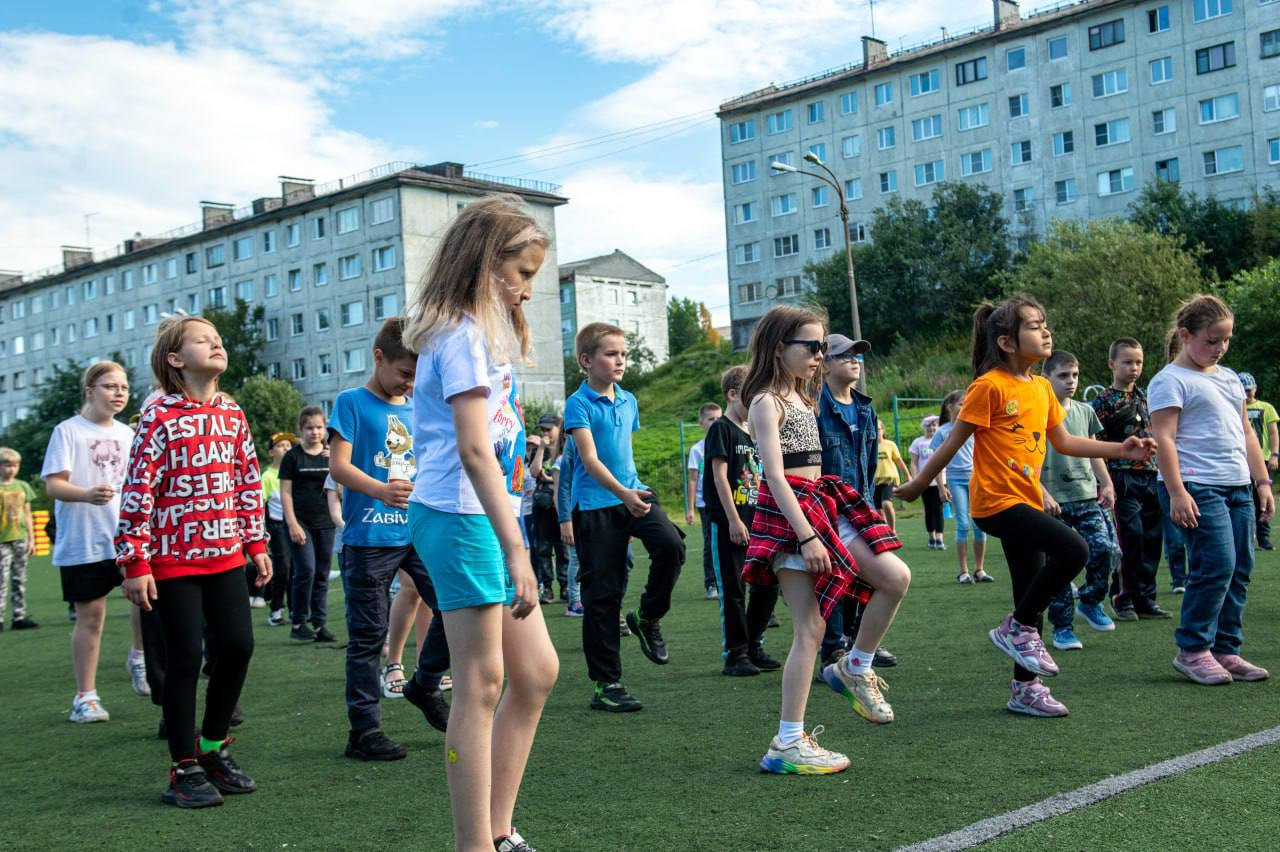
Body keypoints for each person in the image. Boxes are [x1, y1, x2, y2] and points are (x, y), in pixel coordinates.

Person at [899, 295, 1155, 717]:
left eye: (1045, 323)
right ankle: (1015, 627)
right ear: (1006, 342)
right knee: (1075, 549)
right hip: (995, 503)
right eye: (1035, 326)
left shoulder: (1040, 388)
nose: (1046, 331)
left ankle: (1025, 688)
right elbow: (951, 442)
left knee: (1029, 588)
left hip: (1027, 499)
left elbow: (1065, 442)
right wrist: (920, 483)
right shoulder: (989, 387)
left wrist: (1121, 449)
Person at [402, 194, 558, 852]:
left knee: (538, 671)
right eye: (521, 274)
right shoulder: (460, 332)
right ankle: (476, 845)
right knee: (481, 683)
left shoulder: (480, 334)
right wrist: (519, 550)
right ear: (487, 264)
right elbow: (472, 450)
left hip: (479, 518)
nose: (527, 290)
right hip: (461, 518)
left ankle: (498, 829)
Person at [741, 306, 911, 774]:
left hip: (822, 502)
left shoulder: (803, 398)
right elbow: (773, 476)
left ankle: (855, 666)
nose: (819, 355)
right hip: (792, 515)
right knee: (810, 629)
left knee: (895, 577)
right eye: (811, 347)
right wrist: (807, 536)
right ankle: (788, 741)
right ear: (780, 348)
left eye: (821, 348)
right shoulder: (766, 402)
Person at [117, 316, 270, 808]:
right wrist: (134, 561)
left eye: (218, 339)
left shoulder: (232, 413)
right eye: (203, 340)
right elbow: (137, 491)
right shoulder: (158, 416)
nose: (217, 344)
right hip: (171, 562)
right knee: (183, 659)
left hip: (225, 556)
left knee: (238, 648)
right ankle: (182, 766)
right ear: (175, 360)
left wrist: (256, 543)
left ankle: (212, 747)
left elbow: (247, 481)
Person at [329, 317, 452, 761]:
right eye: (404, 373)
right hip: (368, 536)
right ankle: (364, 731)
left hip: (418, 530)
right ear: (378, 358)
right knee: (368, 637)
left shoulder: (416, 405)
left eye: (417, 376)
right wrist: (380, 489)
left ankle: (423, 683)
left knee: (455, 606)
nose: (410, 383)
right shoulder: (351, 403)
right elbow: (338, 467)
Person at [1149, 295, 1273, 685]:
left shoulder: (1229, 377)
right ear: (1185, 336)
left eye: (1226, 340)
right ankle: (1193, 650)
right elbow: (1164, 439)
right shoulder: (1170, 380)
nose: (1220, 348)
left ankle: (1226, 649)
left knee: (1241, 569)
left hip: (1237, 485)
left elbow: (1248, 436)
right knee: (1216, 564)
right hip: (1198, 485)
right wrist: (1177, 491)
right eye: (1212, 340)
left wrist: (1262, 482)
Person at [565, 322, 686, 713]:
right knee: (603, 595)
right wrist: (623, 496)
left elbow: (623, 454)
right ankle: (606, 684)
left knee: (671, 545)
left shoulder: (628, 400)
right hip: (597, 505)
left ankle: (648, 616)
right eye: (611, 354)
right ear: (587, 361)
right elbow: (590, 460)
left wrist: (632, 494)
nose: (620, 360)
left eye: (623, 354)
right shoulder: (578, 404)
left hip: (633, 491)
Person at [41, 361, 139, 722]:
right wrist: (86, 494)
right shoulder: (68, 431)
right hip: (84, 541)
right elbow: (53, 485)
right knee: (92, 619)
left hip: (126, 538)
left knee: (146, 603)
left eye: (124, 388)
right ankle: (86, 697)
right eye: (110, 386)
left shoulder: (129, 435)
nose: (119, 394)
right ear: (89, 391)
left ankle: (140, 659)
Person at [815, 334, 896, 669]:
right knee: (834, 578)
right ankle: (833, 650)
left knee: (873, 575)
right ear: (825, 364)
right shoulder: (815, 407)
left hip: (860, 505)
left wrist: (871, 502)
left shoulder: (865, 408)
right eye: (844, 355)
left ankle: (860, 641)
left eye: (857, 355)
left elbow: (870, 462)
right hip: (825, 508)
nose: (854, 361)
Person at [1039, 351, 1120, 650]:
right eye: (1062, 376)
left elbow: (1094, 450)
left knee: (1105, 549)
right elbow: (1023, 457)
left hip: (1086, 495)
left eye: (1074, 375)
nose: (1070, 381)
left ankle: (1091, 600)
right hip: (1051, 501)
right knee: (1060, 563)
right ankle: (1062, 627)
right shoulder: (1035, 411)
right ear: (1045, 378)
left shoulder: (1085, 411)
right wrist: (1041, 493)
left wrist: (1107, 484)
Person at [702, 365, 778, 676]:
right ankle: (735, 654)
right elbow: (720, 478)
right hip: (731, 523)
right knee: (734, 590)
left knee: (767, 585)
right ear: (733, 394)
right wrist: (733, 520)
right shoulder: (722, 428)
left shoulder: (755, 432)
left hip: (758, 522)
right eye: (752, 393)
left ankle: (754, 644)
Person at [1089, 338, 1170, 621]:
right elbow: (1092, 443)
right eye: (1127, 362)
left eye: (1138, 362)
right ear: (1112, 364)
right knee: (1129, 539)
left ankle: (1146, 599)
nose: (1134, 367)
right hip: (1120, 476)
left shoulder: (1147, 397)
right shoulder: (1102, 402)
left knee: (1151, 539)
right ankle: (1122, 598)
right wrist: (1104, 481)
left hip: (1150, 475)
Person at [281, 405, 337, 642]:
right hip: (300, 521)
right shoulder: (292, 456)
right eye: (309, 428)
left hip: (326, 521)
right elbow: (286, 493)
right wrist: (292, 523)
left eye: (319, 427)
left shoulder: (332, 454)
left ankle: (319, 624)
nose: (315, 432)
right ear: (301, 430)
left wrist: (335, 462)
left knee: (322, 574)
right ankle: (298, 622)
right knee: (306, 571)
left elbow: (342, 490)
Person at [931, 389, 991, 584]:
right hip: (956, 480)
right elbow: (937, 462)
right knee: (963, 524)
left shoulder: (974, 427)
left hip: (976, 479)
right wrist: (941, 486)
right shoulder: (942, 431)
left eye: (967, 403)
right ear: (950, 407)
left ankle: (980, 570)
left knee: (980, 525)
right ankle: (964, 571)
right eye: (961, 404)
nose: (965, 407)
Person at [686, 403, 722, 600]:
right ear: (702, 423)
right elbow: (693, 479)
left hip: (726, 501)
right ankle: (711, 583)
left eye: (719, 418)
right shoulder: (697, 450)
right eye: (711, 419)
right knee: (710, 543)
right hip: (705, 504)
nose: (716, 423)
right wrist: (690, 508)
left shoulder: (726, 443)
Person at [531, 413, 568, 602]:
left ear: (558, 427)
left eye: (549, 429)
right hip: (542, 507)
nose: (545, 432)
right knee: (543, 549)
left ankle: (565, 587)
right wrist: (540, 449)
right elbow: (534, 471)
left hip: (560, 506)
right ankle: (547, 588)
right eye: (542, 429)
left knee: (563, 548)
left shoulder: (566, 449)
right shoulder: (541, 451)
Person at [1240, 372, 1278, 550]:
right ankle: (1244, 538)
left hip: (1261, 459)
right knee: (1242, 499)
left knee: (1262, 500)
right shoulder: (1235, 408)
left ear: (1255, 388)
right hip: (1239, 460)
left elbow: (1273, 432)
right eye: (1244, 390)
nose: (1248, 394)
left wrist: (1274, 454)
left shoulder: (1266, 407)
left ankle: (1264, 538)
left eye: (1250, 390)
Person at [261, 432, 296, 626]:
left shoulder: (293, 472)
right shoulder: (267, 477)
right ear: (271, 452)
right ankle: (275, 610)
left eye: (288, 445)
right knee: (283, 569)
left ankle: (295, 610)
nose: (285, 448)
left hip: (295, 525)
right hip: (277, 526)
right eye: (281, 445)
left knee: (295, 569)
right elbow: (260, 505)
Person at [0, 447, 36, 630]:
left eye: (15, 465)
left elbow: (28, 514)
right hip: (2, 541)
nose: (11, 469)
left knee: (19, 578)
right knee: (1, 580)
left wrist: (32, 539)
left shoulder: (23, 486)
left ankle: (19, 616)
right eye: (7, 465)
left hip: (20, 538)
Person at [554, 434, 583, 617]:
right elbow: (560, 488)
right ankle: (574, 602)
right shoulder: (562, 457)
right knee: (576, 558)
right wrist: (565, 519)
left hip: (588, 509)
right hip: (574, 513)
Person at [909, 416, 948, 550]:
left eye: (934, 426)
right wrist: (915, 479)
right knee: (929, 510)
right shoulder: (918, 442)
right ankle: (931, 537)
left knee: (938, 509)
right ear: (924, 427)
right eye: (929, 426)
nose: (931, 428)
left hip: (940, 481)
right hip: (925, 482)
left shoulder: (942, 441)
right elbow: (914, 463)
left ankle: (939, 538)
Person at [872, 421, 910, 533]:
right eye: (874, 429)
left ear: (883, 431)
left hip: (890, 479)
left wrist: (908, 476)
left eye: (879, 429)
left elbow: (899, 461)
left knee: (886, 504)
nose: (877, 431)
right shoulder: (869, 446)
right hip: (875, 481)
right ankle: (885, 532)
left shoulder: (890, 445)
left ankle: (892, 531)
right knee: (878, 511)